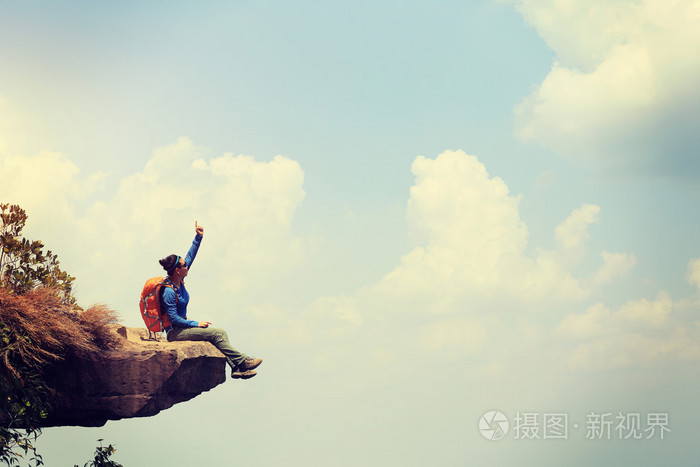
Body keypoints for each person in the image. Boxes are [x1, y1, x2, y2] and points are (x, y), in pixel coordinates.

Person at [159, 221, 262, 380]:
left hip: (183, 327)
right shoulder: (168, 291)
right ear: (177, 271)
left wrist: (198, 237)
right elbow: (173, 319)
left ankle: (236, 368)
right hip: (175, 332)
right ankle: (242, 362)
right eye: (184, 266)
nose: (187, 266)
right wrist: (196, 324)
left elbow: (190, 256)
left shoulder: (178, 280)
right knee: (217, 333)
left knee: (220, 333)